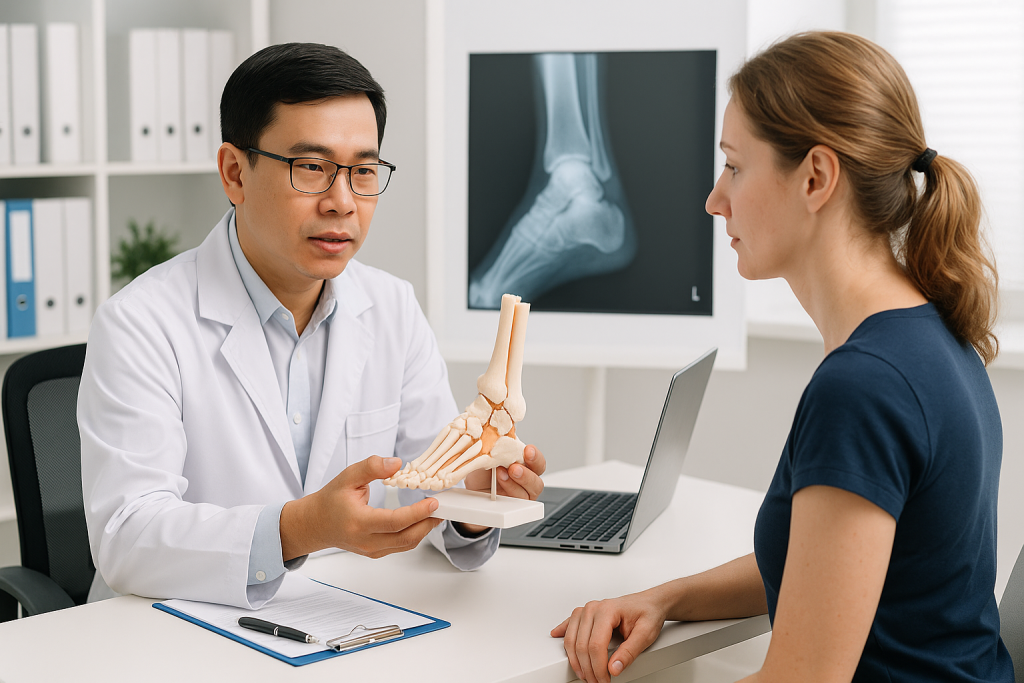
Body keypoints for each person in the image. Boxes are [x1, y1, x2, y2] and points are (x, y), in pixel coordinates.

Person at [552, 31, 1013, 683]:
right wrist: (667, 597)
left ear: (817, 177)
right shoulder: (931, 334)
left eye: (734, 166)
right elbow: (829, 567)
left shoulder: (863, 386)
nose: (715, 199)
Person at [78, 42, 546, 609]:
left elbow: (432, 478)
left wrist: (471, 502)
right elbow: (126, 538)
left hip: (342, 619)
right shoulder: (140, 322)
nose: (342, 202)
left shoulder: (391, 306)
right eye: (312, 168)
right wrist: (300, 528)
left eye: (364, 172)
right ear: (234, 173)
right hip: (177, 632)